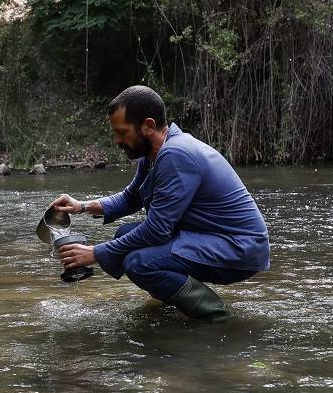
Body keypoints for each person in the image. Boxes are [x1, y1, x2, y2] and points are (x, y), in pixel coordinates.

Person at [50, 85, 269, 321]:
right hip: (212, 237)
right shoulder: (154, 155)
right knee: (126, 234)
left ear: (148, 126)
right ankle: (173, 300)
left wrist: (96, 253)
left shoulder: (176, 155)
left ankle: (218, 317)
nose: (116, 140)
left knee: (139, 262)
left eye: (122, 132)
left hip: (239, 248)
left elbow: (156, 230)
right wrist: (81, 206)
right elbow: (130, 198)